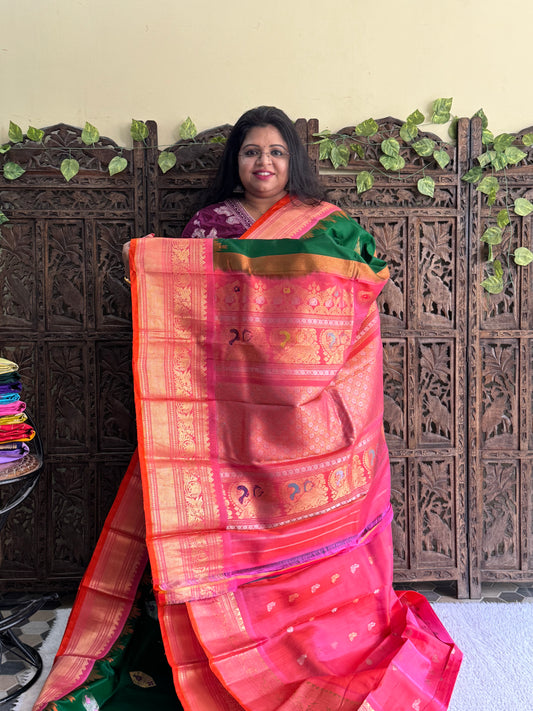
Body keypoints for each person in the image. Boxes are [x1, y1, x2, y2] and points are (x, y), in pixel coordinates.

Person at [35, 107, 461, 711]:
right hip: (226, 414)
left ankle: (309, 641)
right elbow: (187, 314)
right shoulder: (211, 225)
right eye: (252, 151)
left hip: (306, 420)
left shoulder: (329, 229)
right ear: (236, 160)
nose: (264, 162)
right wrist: (150, 268)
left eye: (276, 152)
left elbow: (356, 310)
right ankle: (217, 638)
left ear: (293, 161)